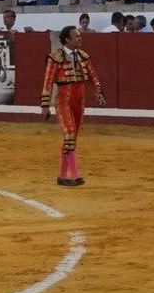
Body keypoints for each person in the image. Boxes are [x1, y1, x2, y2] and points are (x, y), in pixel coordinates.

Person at [40, 23, 105, 187]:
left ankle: (62, 176)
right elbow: (48, 82)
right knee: (69, 134)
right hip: (63, 99)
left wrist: (98, 91)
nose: (80, 37)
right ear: (67, 39)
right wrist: (45, 105)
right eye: (76, 36)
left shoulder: (83, 55)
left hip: (79, 99)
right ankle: (75, 175)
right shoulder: (55, 57)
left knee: (72, 137)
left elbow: (93, 76)